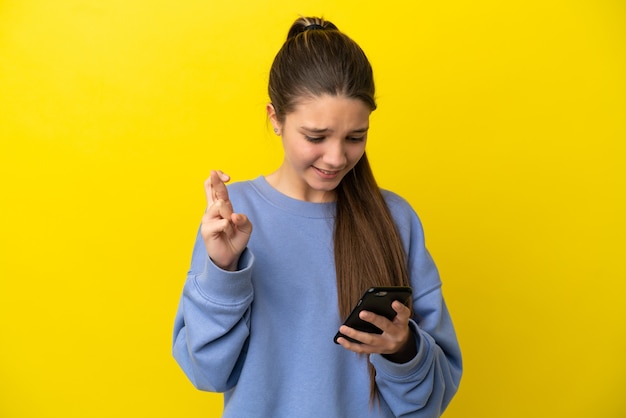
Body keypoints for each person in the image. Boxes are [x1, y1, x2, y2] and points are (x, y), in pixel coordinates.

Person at [172, 16, 462, 418]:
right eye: (316, 137)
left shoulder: (396, 220)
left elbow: (432, 398)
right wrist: (223, 270)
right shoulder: (232, 219)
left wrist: (402, 350)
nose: (336, 157)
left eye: (355, 137)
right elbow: (206, 372)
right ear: (276, 118)